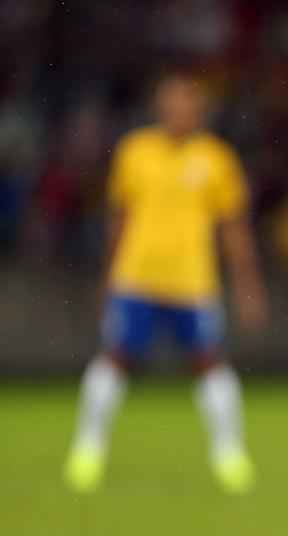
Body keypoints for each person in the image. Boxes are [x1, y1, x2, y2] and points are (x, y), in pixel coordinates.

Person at [63, 73, 267, 494]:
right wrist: (107, 277)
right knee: (117, 358)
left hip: (193, 283)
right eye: (170, 104)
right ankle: (88, 449)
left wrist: (247, 284)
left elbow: (232, 228)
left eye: (186, 105)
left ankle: (228, 455)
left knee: (209, 362)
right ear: (160, 108)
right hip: (136, 279)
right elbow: (118, 220)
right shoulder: (134, 152)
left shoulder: (216, 158)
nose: (178, 112)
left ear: (199, 111)